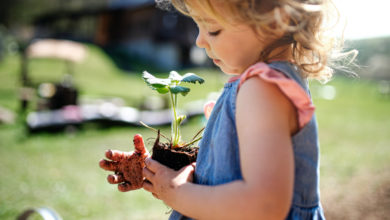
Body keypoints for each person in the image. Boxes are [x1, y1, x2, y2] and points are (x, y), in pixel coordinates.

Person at [100, 0, 356, 219]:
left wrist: (177, 192)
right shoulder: (261, 85)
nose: (200, 40)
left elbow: (264, 206)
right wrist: (154, 171)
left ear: (274, 21)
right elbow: (226, 174)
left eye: (213, 29)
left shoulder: (262, 89)